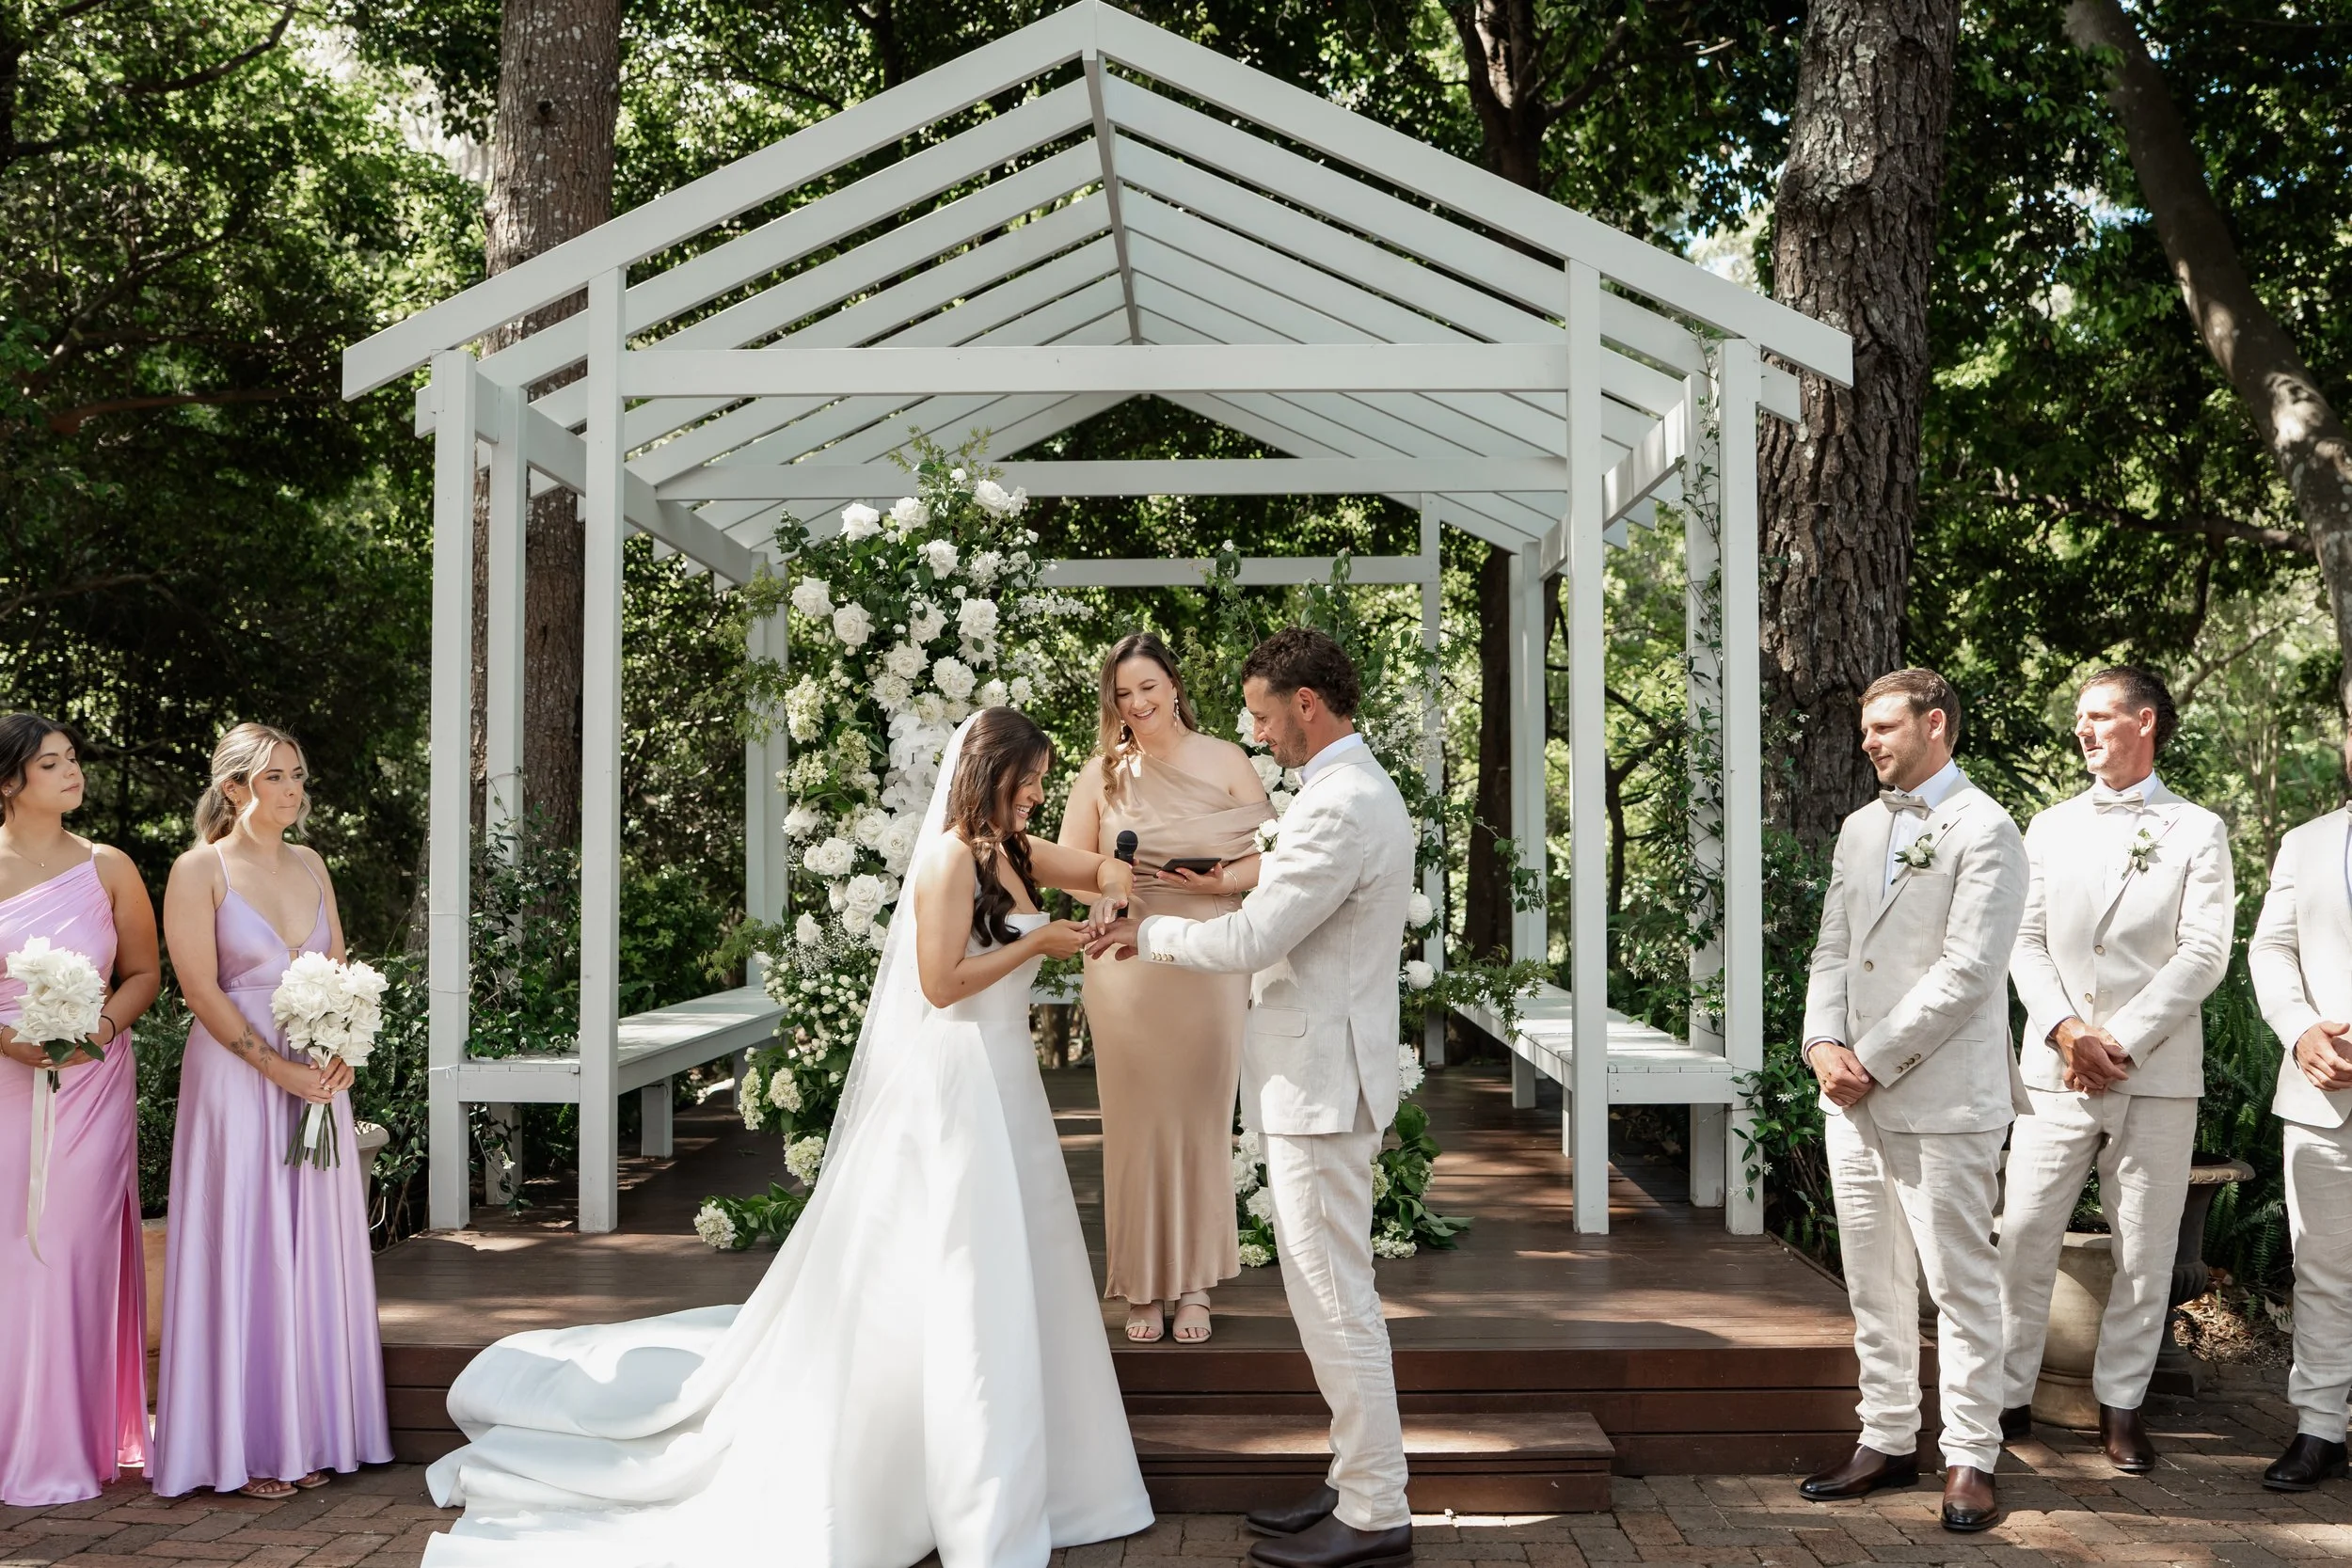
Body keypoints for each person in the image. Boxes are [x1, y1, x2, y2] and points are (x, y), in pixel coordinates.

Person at [421, 706, 1152, 1568]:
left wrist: (1109, 891)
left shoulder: (1017, 852)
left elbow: (1105, 865)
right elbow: (942, 982)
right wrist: (1054, 944)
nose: (1037, 795)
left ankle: (1053, 1477)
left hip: (1009, 1090)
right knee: (962, 1272)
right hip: (957, 1087)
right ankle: (959, 1484)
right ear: (989, 774)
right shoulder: (951, 858)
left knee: (1021, 1268)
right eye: (1027, 780)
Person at [1089, 627, 1416, 1568]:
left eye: (1268, 716)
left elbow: (1250, 937)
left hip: (1319, 1084)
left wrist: (1144, 937)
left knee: (1332, 1295)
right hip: (1317, 1074)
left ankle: (1375, 1507)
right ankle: (1355, 1478)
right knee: (1326, 1292)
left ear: (1306, 704)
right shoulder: (1338, 794)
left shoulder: (1338, 804)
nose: (1262, 733)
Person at [1793, 668, 2027, 1533]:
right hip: (1849, 1096)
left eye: (1885, 726)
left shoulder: (1989, 828)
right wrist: (1822, 1044)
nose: (1869, 742)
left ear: (1937, 724)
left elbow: (1969, 973)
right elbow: (1831, 948)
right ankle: (1886, 1436)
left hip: (1944, 1097)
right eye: (1865, 730)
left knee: (1960, 1284)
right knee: (1873, 1282)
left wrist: (1871, 1055)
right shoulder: (1859, 828)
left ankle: (1971, 1453)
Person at [1997, 667, 2232, 1471]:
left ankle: (2122, 1405)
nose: (2083, 729)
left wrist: (2119, 1039)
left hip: (2156, 1071)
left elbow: (2204, 952)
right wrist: (2066, 1030)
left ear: (2145, 721)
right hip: (2054, 1068)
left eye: (2099, 715)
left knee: (2145, 1243)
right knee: (2025, 1230)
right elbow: (2021, 939)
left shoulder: (2198, 828)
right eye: (2078, 718)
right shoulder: (2049, 825)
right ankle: (2005, 1394)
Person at [151, 723, 391, 1497]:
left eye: (299, 775)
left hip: (318, 1075)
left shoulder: (314, 862)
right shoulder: (199, 870)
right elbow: (199, 989)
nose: (294, 790)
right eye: (277, 778)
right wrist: (274, 1067)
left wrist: (345, 1042)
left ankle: (314, 1430)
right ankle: (246, 1445)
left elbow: (341, 969)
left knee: (312, 1245)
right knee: (246, 1242)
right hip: (237, 1077)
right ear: (234, 789)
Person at [1059, 632, 1272, 1344]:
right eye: (1123, 693)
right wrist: (1104, 887)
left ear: (1174, 684)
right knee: (1135, 1124)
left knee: (1201, 1122)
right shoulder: (1101, 774)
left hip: (1211, 955)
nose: (1138, 702)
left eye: (1148, 686)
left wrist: (1220, 880)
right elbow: (1066, 865)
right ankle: (1141, 1285)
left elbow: (1277, 858)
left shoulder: (1228, 759)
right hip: (1125, 960)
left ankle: (1196, 1283)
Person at [0, 715, 161, 1504]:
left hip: (92, 1083)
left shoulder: (108, 865)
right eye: (51, 763)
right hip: (3, 1081)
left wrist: (96, 1025)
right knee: (8, 1258)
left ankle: (69, 1436)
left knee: (68, 1249)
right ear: (8, 783)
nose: (73, 773)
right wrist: (9, 1039)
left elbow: (142, 974)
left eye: (73, 760)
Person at [2247, 736, 2352, 1492]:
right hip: (2323, 1088)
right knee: (2321, 1266)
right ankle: (2320, 1428)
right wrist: (2300, 1028)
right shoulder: (2305, 842)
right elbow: (2270, 950)